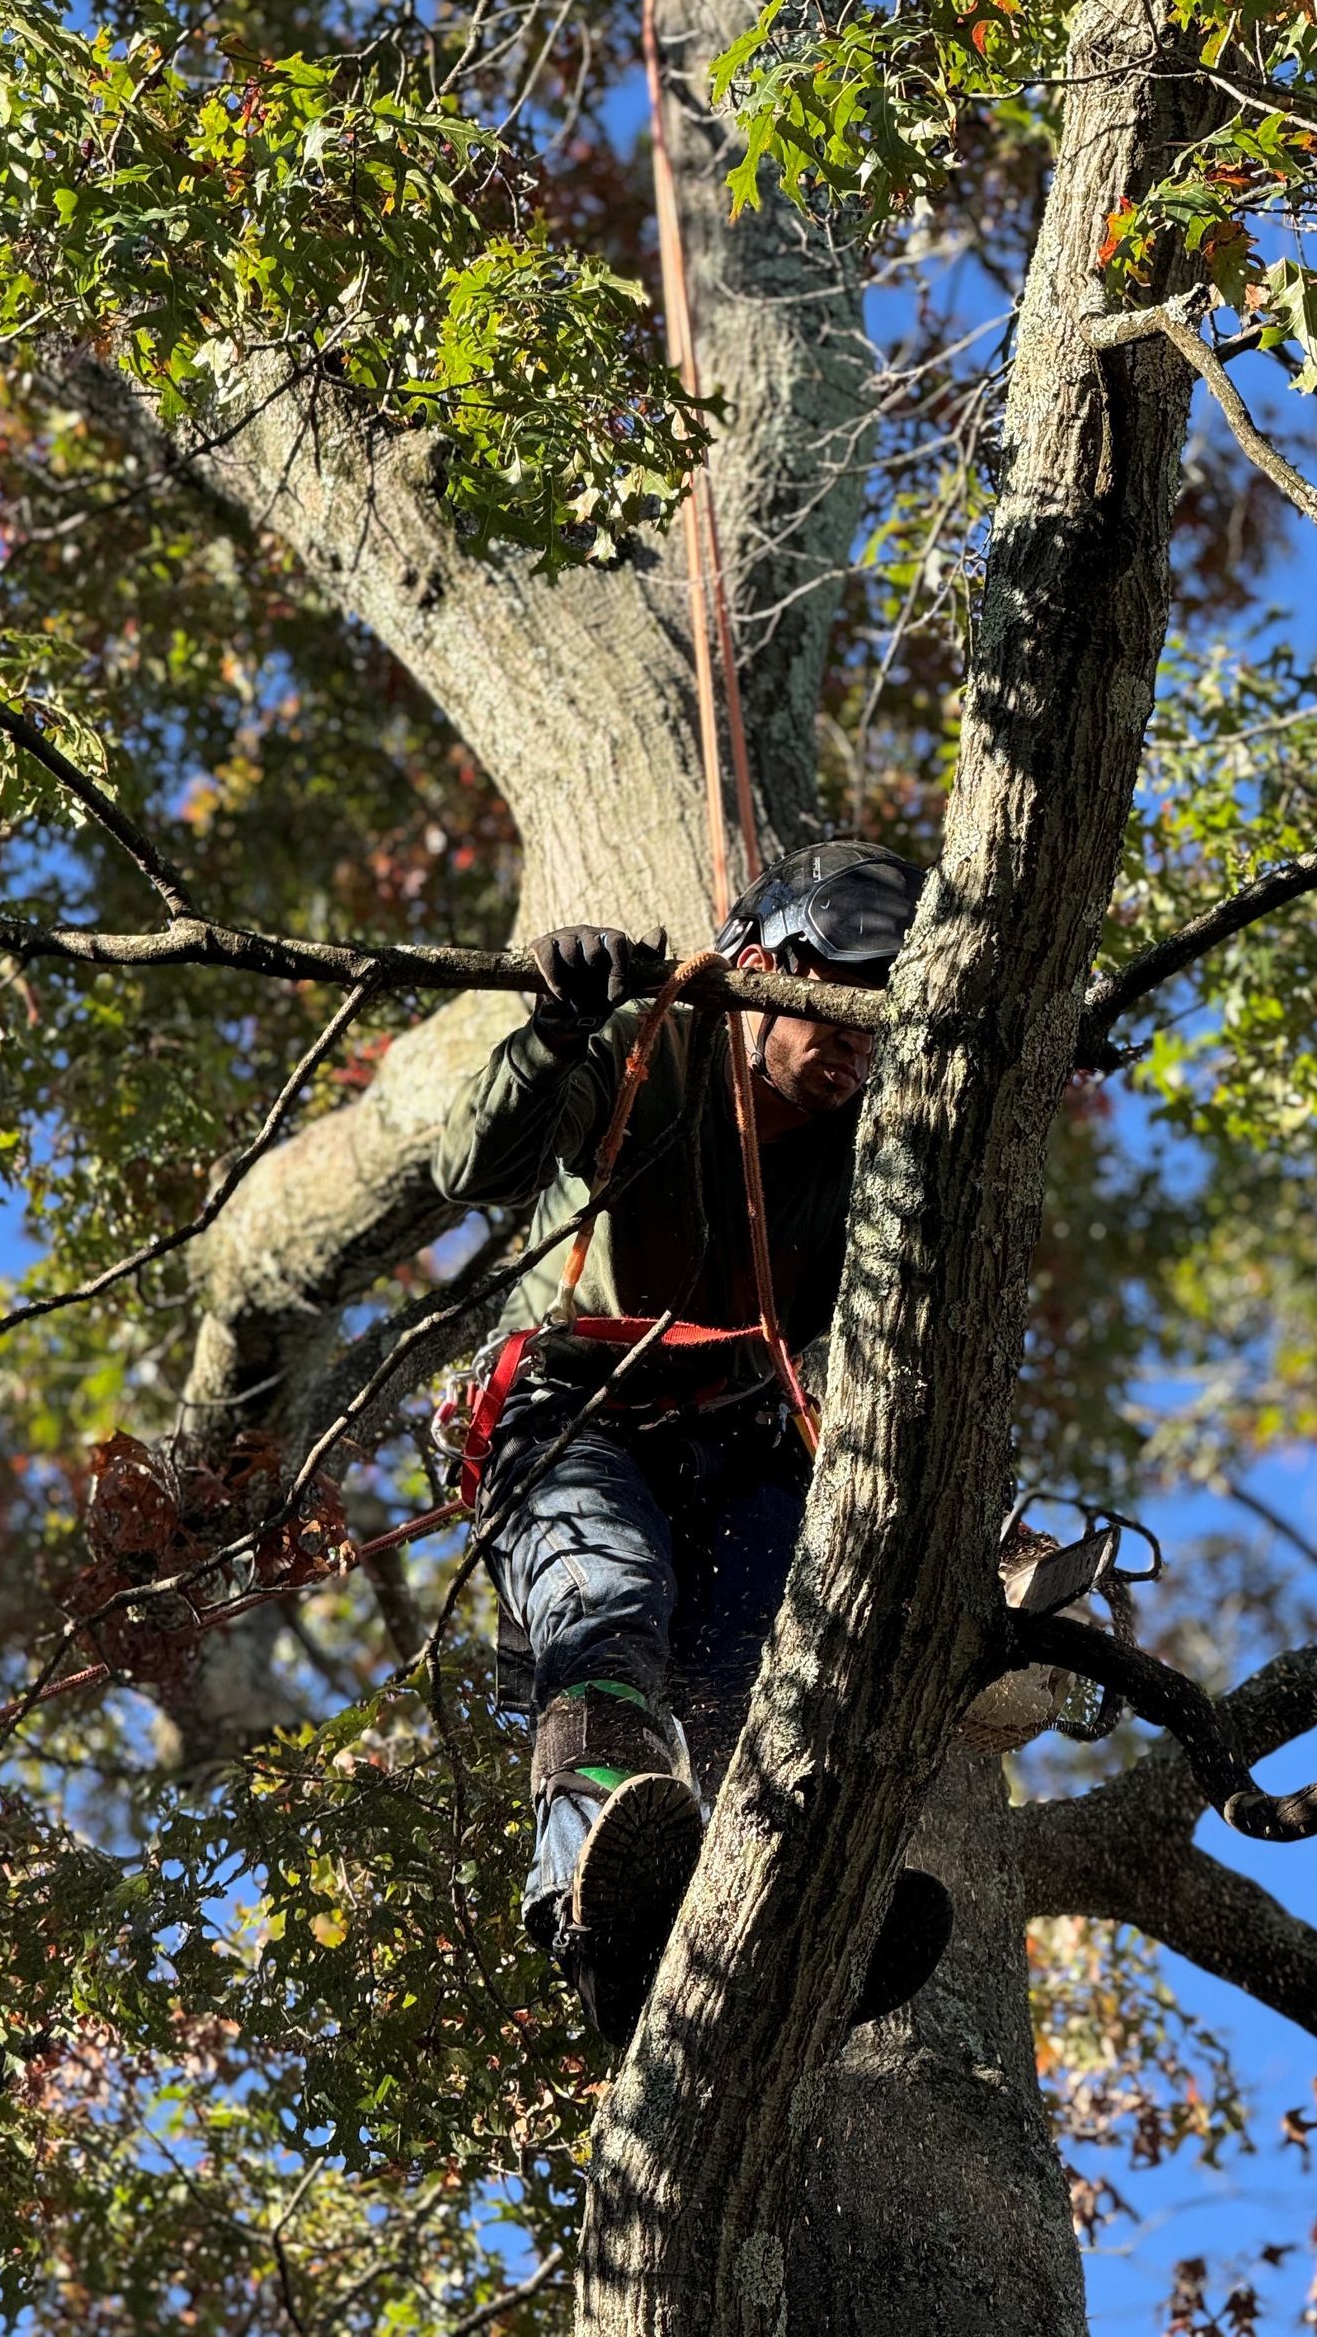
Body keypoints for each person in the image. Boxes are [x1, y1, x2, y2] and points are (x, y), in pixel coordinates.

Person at [432, 841, 952, 2042]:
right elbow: (474, 1167)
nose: (858, 1049)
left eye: (885, 1026)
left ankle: (794, 1922)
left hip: (740, 1438)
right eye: (843, 1010)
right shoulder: (646, 1043)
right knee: (606, 1603)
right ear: (765, 968)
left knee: (788, 1671)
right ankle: (595, 1900)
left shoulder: (881, 1147)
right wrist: (558, 1024)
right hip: (573, 1411)